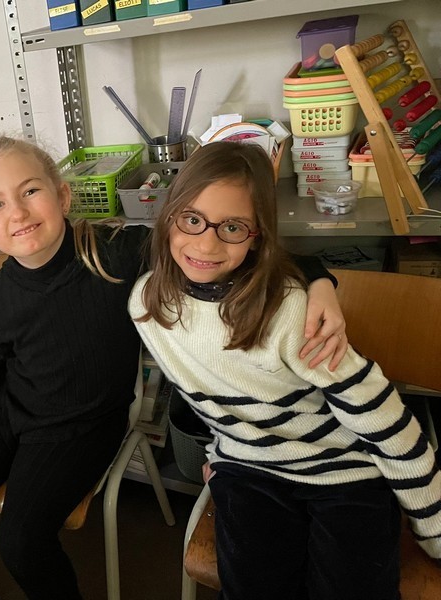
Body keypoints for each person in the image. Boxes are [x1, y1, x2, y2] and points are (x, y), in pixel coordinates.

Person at [0, 135, 349, 600]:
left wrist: (319, 282)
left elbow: (250, 257)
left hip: (82, 427)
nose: (17, 212)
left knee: (20, 543)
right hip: (10, 410)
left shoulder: (116, 252)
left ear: (62, 196)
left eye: (30, 191)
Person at [129, 141, 441, 600]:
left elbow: (382, 418)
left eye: (232, 227)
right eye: (192, 219)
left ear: (257, 236)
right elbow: (212, 396)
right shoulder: (147, 305)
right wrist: (221, 453)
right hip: (249, 470)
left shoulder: (291, 312)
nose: (206, 243)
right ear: (168, 215)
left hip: (343, 470)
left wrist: (433, 527)